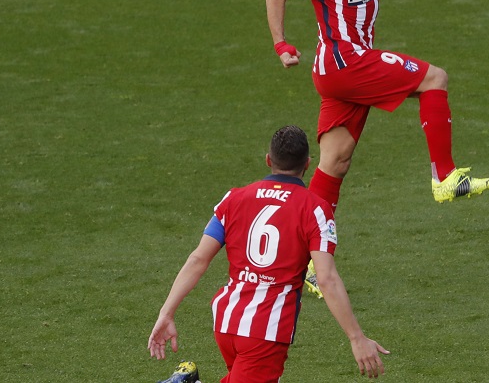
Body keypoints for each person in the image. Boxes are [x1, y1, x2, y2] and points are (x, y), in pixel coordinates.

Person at [265, 0, 489, 214]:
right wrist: (280, 44)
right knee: (435, 78)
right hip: (347, 63)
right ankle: (444, 178)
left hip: (340, 73)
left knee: (335, 162)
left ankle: (306, 254)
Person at [148, 125, 389, 382]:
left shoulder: (234, 198)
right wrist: (356, 338)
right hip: (266, 330)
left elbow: (198, 259)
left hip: (227, 321)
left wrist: (167, 312)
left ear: (268, 160)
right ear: (308, 164)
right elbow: (326, 278)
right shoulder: (315, 209)